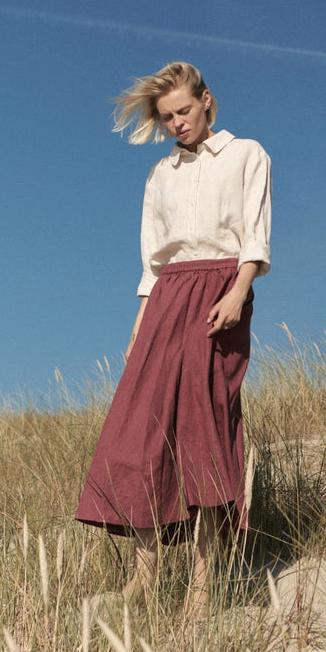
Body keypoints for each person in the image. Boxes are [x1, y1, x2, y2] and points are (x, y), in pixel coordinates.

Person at [75, 62, 272, 615]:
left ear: (206, 100)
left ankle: (204, 586)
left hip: (220, 290)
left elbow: (255, 235)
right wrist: (142, 318)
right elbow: (153, 254)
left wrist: (238, 293)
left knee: (202, 435)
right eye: (166, 118)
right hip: (166, 298)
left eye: (183, 111)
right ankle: (144, 575)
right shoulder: (160, 174)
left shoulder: (246, 153)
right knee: (142, 433)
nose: (176, 124)